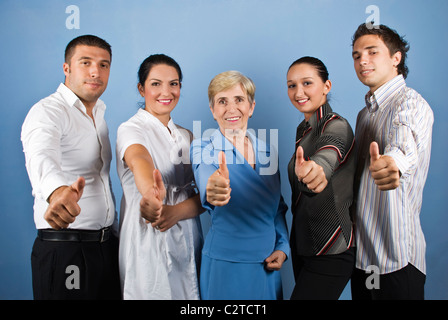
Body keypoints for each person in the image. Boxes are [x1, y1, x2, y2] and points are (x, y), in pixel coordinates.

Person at [21, 35, 120, 299]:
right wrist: (57, 192)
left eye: (103, 65)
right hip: (67, 250)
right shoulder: (47, 112)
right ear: (67, 68)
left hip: (105, 248)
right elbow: (41, 155)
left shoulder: (98, 114)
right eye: (85, 62)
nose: (95, 71)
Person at [350, 23, 434, 300]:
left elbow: (404, 142)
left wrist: (393, 164)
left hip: (397, 261)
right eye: (356, 55)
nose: (362, 60)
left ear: (396, 58)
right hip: (363, 260)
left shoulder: (411, 104)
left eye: (372, 52)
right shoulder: (364, 115)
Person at [190, 70, 290, 300]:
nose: (231, 108)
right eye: (222, 101)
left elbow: (276, 208)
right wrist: (214, 188)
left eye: (239, 100)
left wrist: (283, 247)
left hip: (268, 264)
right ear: (213, 111)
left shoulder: (267, 151)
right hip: (226, 265)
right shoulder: (203, 147)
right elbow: (207, 178)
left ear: (251, 107)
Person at [116, 54, 204, 300]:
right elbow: (139, 159)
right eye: (155, 83)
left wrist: (176, 212)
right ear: (141, 88)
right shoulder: (131, 128)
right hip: (148, 237)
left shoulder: (187, 136)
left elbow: (206, 195)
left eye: (173, 83)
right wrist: (151, 195)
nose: (166, 91)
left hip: (189, 235)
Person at [286, 57, 356, 299]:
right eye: (292, 85)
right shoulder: (304, 130)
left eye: (307, 83)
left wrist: (316, 170)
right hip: (305, 245)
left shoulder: (336, 125)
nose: (299, 92)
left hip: (331, 248)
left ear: (326, 86)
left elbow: (328, 155)